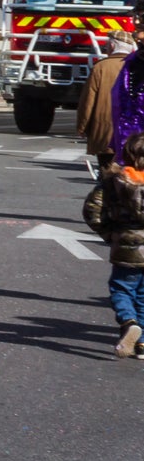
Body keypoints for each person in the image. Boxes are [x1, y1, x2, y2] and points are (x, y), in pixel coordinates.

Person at [84, 132, 144, 357]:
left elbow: (92, 210)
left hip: (125, 245)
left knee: (121, 288)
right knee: (143, 295)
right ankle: (142, 345)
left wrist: (108, 234)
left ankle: (128, 322)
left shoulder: (113, 181)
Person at [78, 31, 132, 166]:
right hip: (133, 136)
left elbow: (88, 101)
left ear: (112, 47)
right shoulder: (138, 67)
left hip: (105, 133)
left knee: (107, 176)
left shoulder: (100, 67)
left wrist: (82, 127)